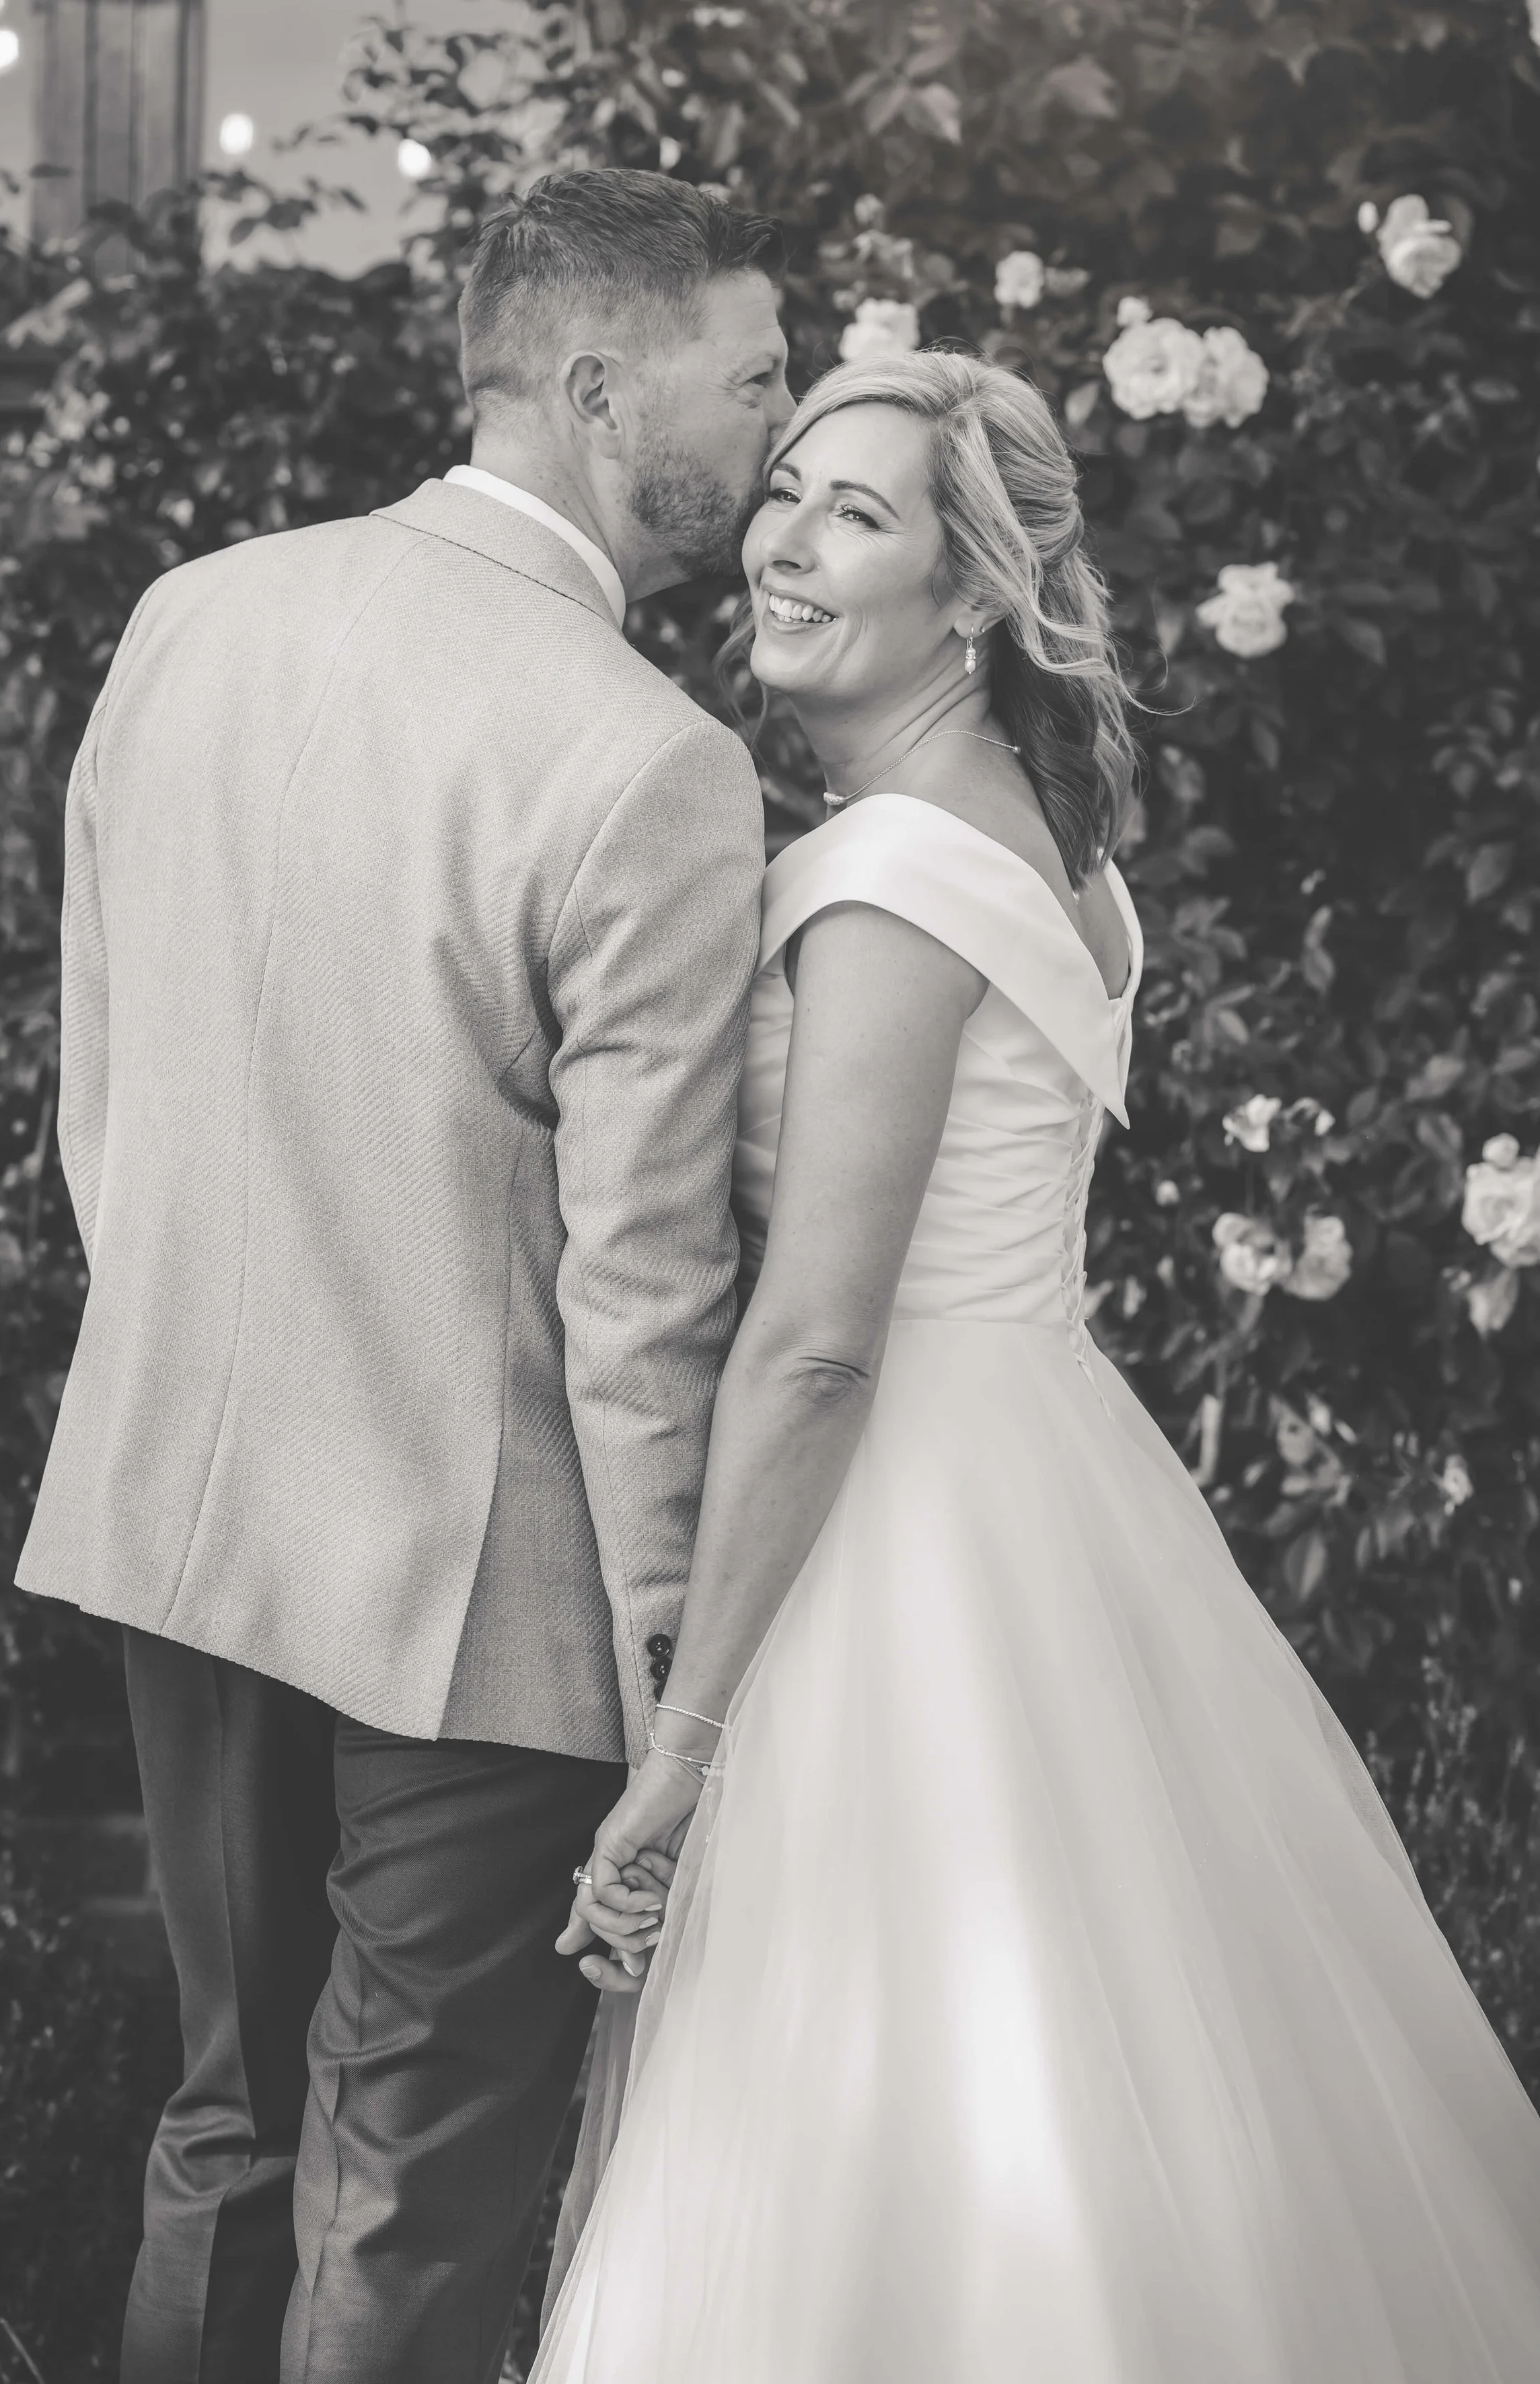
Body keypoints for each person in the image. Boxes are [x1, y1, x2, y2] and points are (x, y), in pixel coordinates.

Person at [536, 350, 1540, 2382]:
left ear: (972, 593)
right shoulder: (1050, 843)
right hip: (1050, 1468)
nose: (787, 538)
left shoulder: (894, 875)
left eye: (857, 513)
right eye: (786, 489)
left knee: (900, 2090)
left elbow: (818, 1343)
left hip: (894, 1518)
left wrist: (689, 1741)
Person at [15, 167, 792, 2384]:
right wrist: (677, 1709)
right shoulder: (649, 762)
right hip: (480, 1602)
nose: (773, 426)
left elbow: (109, 1094)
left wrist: (186, 1374)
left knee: (229, 2129)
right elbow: (637, 1305)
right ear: (590, 380)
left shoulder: (197, 613)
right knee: (413, 2187)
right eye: (748, 377)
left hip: (180, 1512)